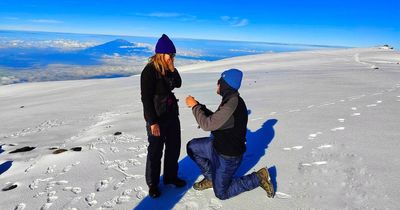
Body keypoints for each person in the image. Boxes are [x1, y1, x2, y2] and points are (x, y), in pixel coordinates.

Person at [185, 68, 275, 200]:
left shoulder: (232, 105)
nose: (217, 84)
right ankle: (211, 179)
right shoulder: (231, 100)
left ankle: (258, 178)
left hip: (228, 157)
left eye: (219, 81)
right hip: (216, 146)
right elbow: (217, 119)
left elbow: (207, 124)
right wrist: (200, 106)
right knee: (192, 147)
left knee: (221, 193)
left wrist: (195, 107)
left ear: (225, 85)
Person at [140, 34, 186, 198]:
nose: (172, 57)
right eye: (170, 55)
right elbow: (146, 99)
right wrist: (152, 122)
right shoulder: (149, 71)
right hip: (156, 117)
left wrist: (173, 69)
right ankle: (153, 184)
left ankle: (170, 177)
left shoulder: (169, 69)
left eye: (173, 55)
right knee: (155, 151)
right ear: (161, 54)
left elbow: (178, 83)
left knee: (174, 147)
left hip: (171, 114)